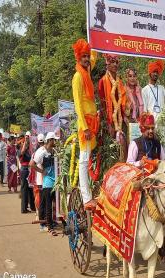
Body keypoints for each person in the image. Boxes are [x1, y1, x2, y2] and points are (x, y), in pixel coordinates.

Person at [72, 38, 99, 209]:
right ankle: (86, 198)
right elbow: (77, 105)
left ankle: (90, 192)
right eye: (83, 57)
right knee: (83, 159)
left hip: (92, 121)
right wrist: (85, 127)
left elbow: (94, 58)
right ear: (78, 57)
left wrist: (96, 39)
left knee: (88, 158)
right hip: (85, 125)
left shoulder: (87, 72)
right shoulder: (77, 77)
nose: (87, 59)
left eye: (87, 56)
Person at [30, 132, 59, 236]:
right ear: (50, 140)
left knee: (55, 204)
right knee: (48, 205)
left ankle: (51, 222)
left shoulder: (54, 151)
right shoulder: (41, 152)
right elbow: (31, 164)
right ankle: (49, 226)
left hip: (55, 182)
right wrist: (42, 171)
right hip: (47, 183)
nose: (55, 142)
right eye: (54, 140)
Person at [29, 133, 45, 227]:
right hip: (42, 179)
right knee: (41, 200)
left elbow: (31, 166)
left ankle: (38, 215)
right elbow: (32, 165)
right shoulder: (45, 151)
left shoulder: (36, 152)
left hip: (39, 179)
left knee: (38, 198)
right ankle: (41, 217)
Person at [19, 131, 36, 213]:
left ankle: (33, 206)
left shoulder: (32, 147)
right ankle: (24, 208)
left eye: (28, 137)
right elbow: (21, 154)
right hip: (25, 169)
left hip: (30, 169)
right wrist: (25, 144)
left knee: (30, 189)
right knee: (24, 189)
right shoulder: (22, 146)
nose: (27, 138)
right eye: (26, 137)